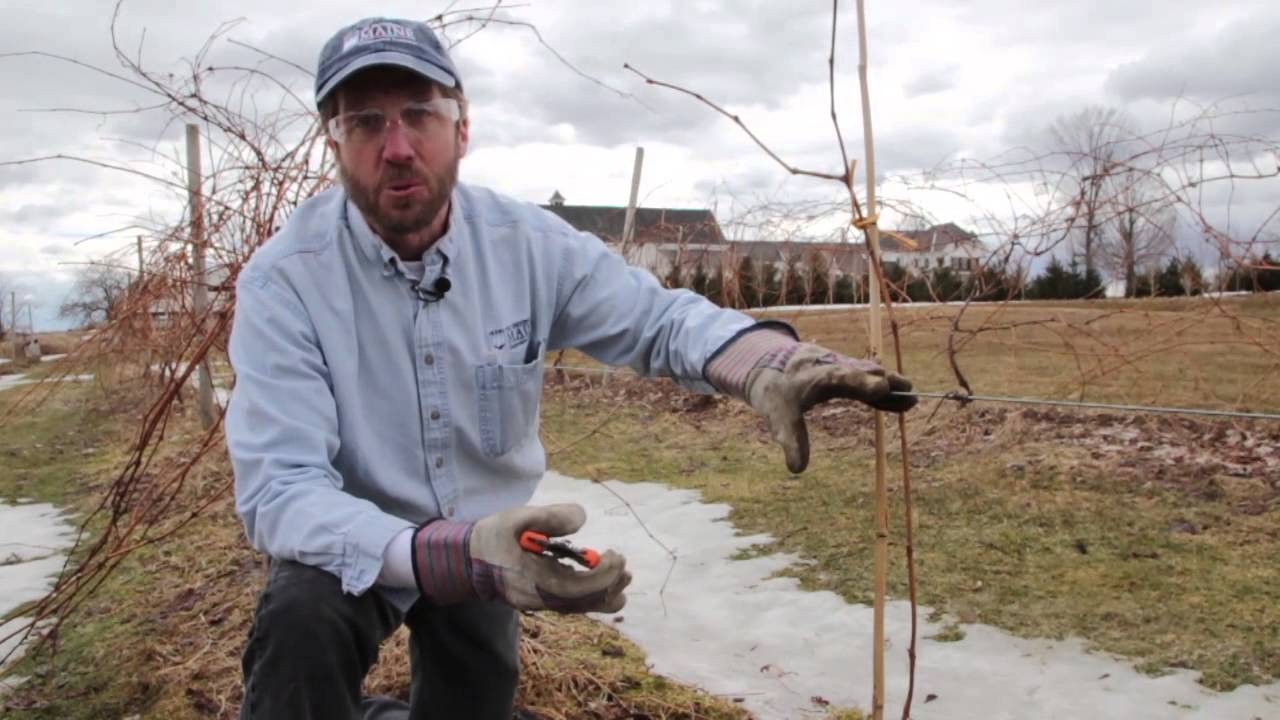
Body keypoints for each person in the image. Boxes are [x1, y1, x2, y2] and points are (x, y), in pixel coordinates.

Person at [225, 16, 916, 720]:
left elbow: (654, 318)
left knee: (476, 704)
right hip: (355, 541)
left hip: (485, 538)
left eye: (420, 115)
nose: (398, 147)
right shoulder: (286, 283)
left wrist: (765, 361)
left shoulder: (527, 246)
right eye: (366, 122)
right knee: (298, 629)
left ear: (462, 129)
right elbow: (281, 490)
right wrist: (448, 555)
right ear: (333, 142)